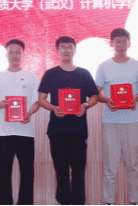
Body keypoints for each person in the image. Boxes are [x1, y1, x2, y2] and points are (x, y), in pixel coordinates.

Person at [38, 36, 99, 205]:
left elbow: (94, 96)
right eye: (63, 47)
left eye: (70, 47)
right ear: (57, 50)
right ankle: (64, 202)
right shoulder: (50, 74)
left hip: (79, 131)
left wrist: (85, 105)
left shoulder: (84, 73)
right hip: (57, 131)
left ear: (75, 50)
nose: (67, 50)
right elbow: (41, 99)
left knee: (79, 172)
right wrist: (53, 108)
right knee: (61, 172)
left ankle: (78, 202)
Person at [0, 39, 42, 205]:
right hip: (4, 133)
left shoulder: (31, 77)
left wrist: (29, 113)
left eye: (18, 52)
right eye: (11, 52)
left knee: (27, 173)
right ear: (6, 55)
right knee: (4, 174)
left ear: (23, 55)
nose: (15, 55)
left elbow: (37, 101)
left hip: (26, 132)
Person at [95, 28, 138, 206]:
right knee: (110, 166)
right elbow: (96, 92)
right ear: (111, 44)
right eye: (117, 41)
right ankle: (109, 202)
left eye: (124, 41)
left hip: (132, 121)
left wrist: (137, 97)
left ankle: (134, 202)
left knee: (133, 166)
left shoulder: (137, 65)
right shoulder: (103, 66)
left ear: (129, 44)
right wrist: (106, 100)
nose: (121, 45)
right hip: (110, 122)